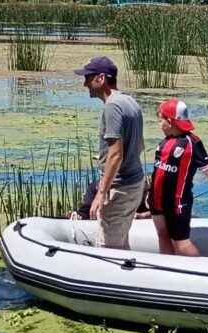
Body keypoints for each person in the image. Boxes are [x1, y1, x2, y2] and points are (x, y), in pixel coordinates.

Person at [74, 55, 145, 250]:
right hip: (135, 184)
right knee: (120, 242)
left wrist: (101, 193)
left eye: (88, 78)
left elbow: (116, 154)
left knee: (109, 248)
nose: (85, 84)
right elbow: (139, 146)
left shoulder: (112, 106)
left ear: (101, 78)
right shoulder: (130, 101)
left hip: (120, 189)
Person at [149, 98, 208, 257]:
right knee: (163, 237)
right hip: (156, 201)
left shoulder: (192, 143)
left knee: (181, 243)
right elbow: (159, 170)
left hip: (177, 204)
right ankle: (166, 269)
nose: (159, 124)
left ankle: (202, 272)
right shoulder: (165, 141)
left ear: (170, 121)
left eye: (161, 120)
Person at [70, 180, 151, 221]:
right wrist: (78, 215)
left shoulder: (138, 187)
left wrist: (142, 215)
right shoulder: (95, 187)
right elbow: (85, 210)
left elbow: (160, 211)